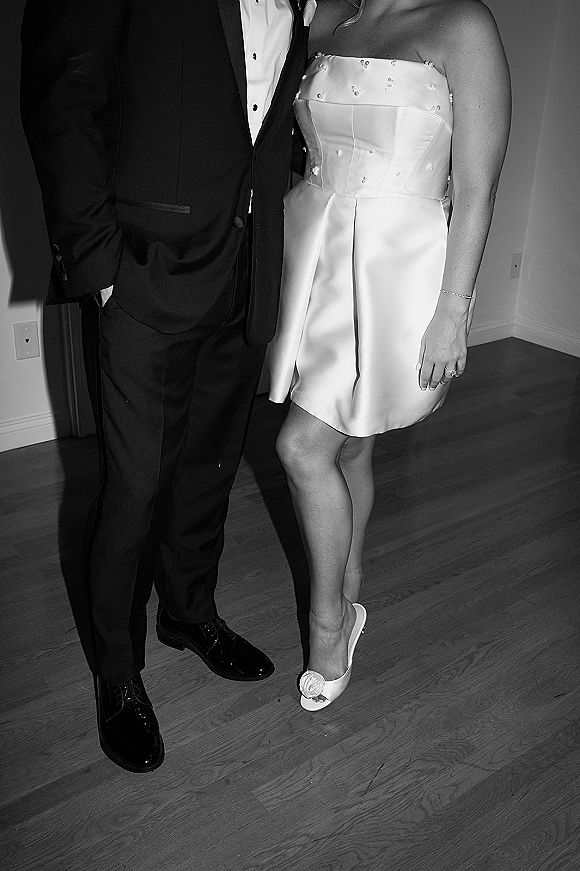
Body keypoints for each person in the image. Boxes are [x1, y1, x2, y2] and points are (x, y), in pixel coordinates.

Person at [20, 0, 311, 772]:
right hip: (142, 273)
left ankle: (188, 612)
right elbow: (63, 92)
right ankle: (117, 672)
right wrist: (100, 266)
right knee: (135, 484)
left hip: (246, 274)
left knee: (208, 467)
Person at [268, 0, 511, 710]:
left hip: (399, 273)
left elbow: (476, 188)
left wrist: (454, 310)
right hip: (315, 256)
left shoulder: (462, 24)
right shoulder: (324, 20)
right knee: (349, 448)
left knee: (302, 447)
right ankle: (348, 586)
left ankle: (329, 623)